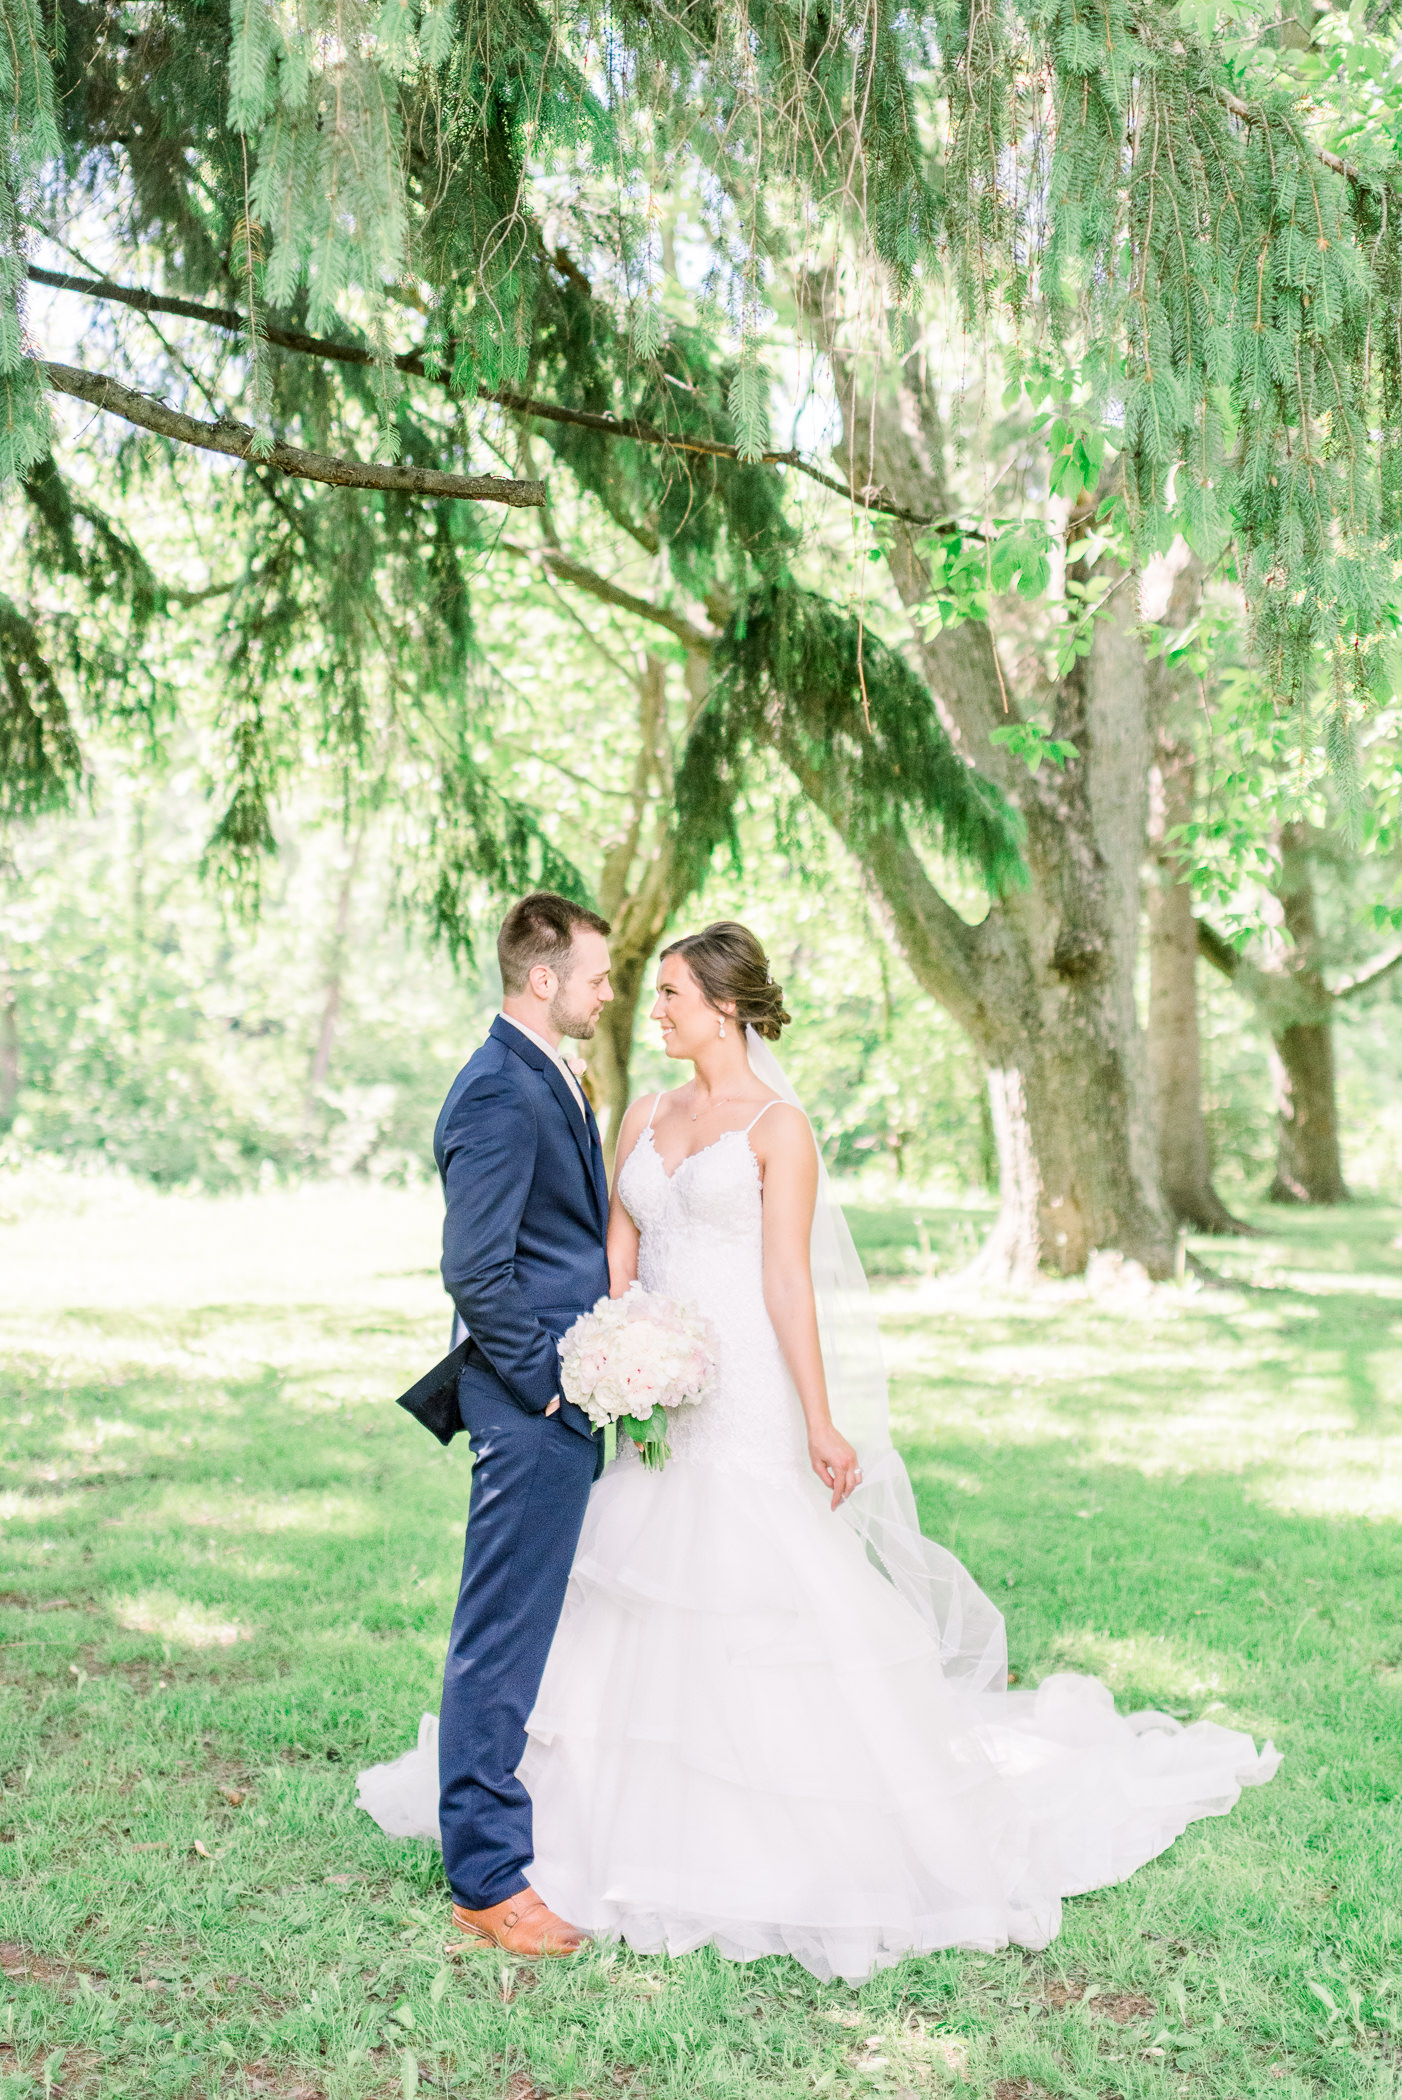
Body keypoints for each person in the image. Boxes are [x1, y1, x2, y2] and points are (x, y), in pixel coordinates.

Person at [360, 920, 1279, 1984]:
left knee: (759, 1599)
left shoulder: (777, 1127)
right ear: (542, 975)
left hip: (736, 1381)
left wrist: (818, 1417)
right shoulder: (633, 1111)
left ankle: (758, 1827)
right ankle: (534, 1850)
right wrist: (612, 1359)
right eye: (631, 985)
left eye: (665, 993)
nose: (644, 1006)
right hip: (630, 1387)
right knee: (601, 1596)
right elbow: (610, 1257)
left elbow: (788, 1283)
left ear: (725, 1005)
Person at [387, 891, 614, 1959]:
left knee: (527, 1631)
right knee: (500, 1638)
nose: (608, 995)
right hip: (532, 1405)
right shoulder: (494, 1091)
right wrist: (551, 1387)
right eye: (598, 978)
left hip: (563, 1392)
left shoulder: (545, 1075)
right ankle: (485, 1878)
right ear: (542, 979)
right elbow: (474, 1267)